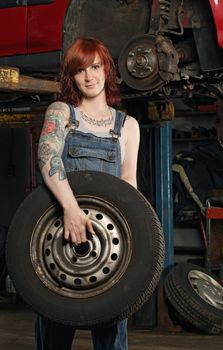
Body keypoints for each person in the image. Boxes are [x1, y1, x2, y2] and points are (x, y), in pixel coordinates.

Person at [36, 37, 140, 350]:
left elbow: (128, 180)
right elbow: (47, 157)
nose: (89, 76)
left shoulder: (127, 125)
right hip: (58, 238)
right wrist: (70, 209)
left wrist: (132, 238)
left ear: (107, 69)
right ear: (72, 77)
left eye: (95, 67)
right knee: (53, 335)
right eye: (80, 70)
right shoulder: (61, 113)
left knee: (111, 338)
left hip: (108, 242)